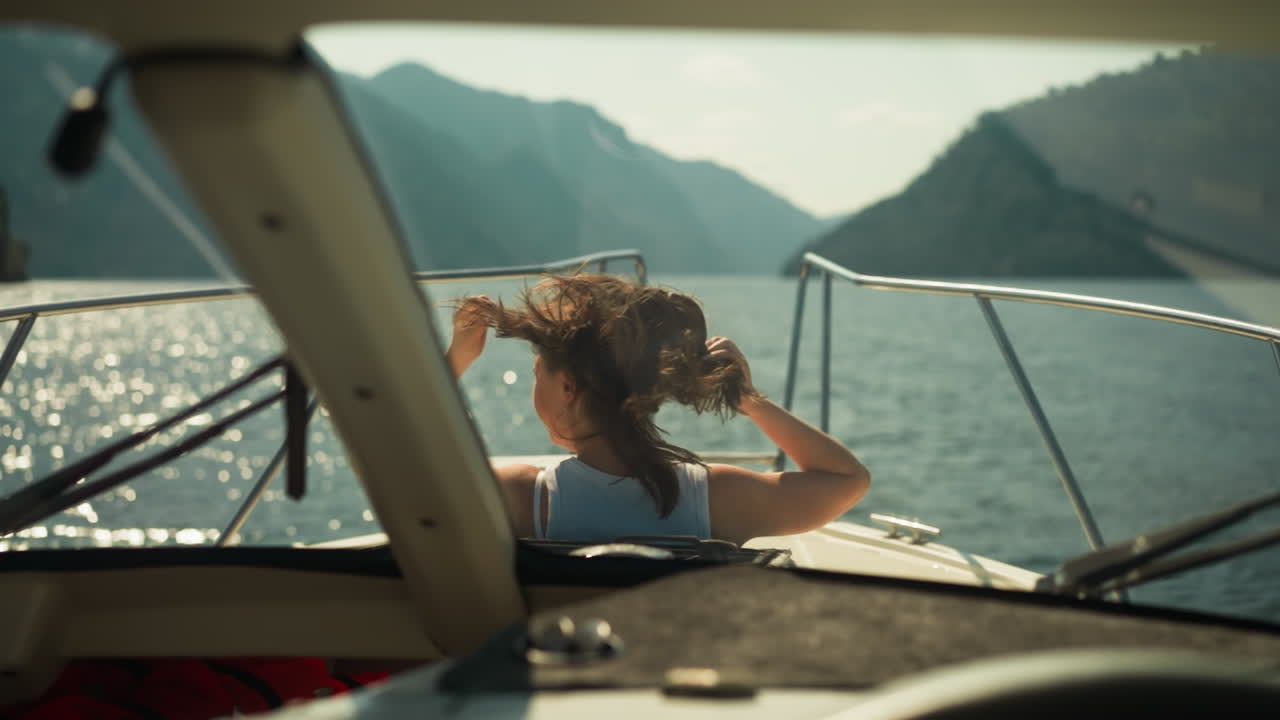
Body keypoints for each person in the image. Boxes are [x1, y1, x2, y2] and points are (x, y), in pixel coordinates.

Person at [445, 274, 869, 546]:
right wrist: (747, 399)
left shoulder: (523, 498)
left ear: (569, 387)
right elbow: (848, 480)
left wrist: (454, 361)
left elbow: (398, 472)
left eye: (539, 373)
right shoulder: (718, 499)